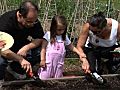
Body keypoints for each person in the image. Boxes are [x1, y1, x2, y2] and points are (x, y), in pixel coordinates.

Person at [0, 0, 44, 81]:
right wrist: (20, 59)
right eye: (29, 22)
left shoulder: (33, 21)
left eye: (34, 22)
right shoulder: (5, 22)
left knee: (39, 51)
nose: (32, 24)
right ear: (20, 16)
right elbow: (2, 49)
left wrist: (26, 48)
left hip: (21, 47)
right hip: (5, 48)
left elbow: (40, 39)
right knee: (0, 62)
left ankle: (15, 69)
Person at [38, 15, 81, 79]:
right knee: (45, 77)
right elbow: (43, 49)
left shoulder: (64, 37)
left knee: (58, 78)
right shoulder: (48, 35)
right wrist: (42, 59)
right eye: (59, 29)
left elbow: (70, 46)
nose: (61, 31)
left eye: (63, 29)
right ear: (53, 27)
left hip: (59, 63)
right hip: (48, 63)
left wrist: (79, 53)